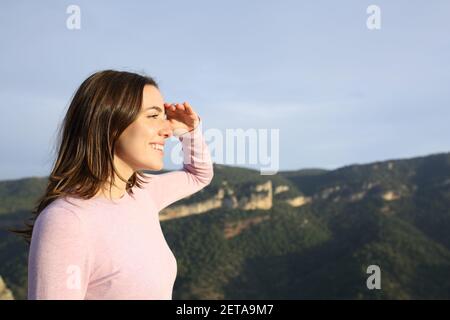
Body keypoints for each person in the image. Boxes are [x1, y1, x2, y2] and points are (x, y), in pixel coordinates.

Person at [13, 69, 214, 299]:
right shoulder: (67, 221)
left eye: (164, 117)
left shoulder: (140, 193)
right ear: (110, 123)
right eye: (152, 116)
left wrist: (188, 133)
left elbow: (199, 175)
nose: (167, 130)